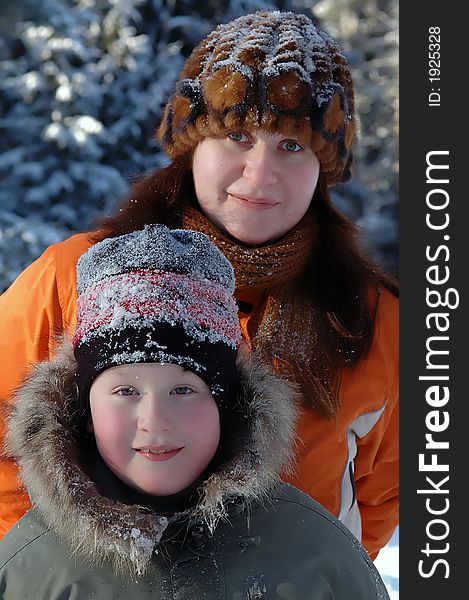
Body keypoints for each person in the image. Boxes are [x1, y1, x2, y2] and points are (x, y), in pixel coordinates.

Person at [0, 10, 398, 559]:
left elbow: (384, 496)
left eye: (291, 146)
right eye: (238, 135)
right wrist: (37, 575)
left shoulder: (374, 320)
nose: (260, 175)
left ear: (324, 168)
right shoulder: (71, 277)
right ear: (191, 146)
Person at [0, 225, 389, 599]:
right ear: (84, 409)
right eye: (126, 390)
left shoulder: (316, 552)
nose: (155, 419)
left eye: (184, 389)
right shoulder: (28, 565)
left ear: (227, 404)